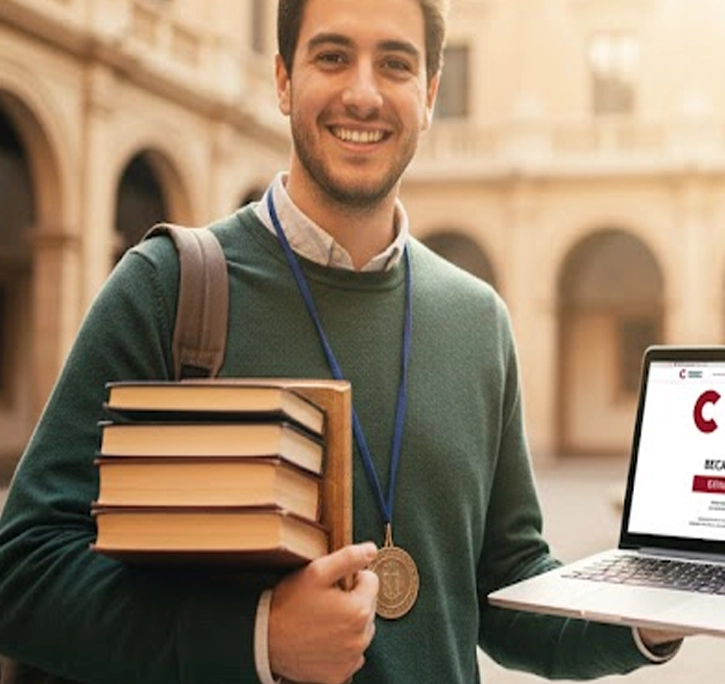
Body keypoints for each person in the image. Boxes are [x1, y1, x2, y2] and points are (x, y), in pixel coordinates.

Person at [0, 0, 686, 682]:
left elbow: (503, 586)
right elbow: (23, 575)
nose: (363, 93)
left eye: (394, 64)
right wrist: (259, 637)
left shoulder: (479, 320)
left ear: (429, 95)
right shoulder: (167, 288)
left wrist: (644, 613)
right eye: (332, 57)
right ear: (282, 80)